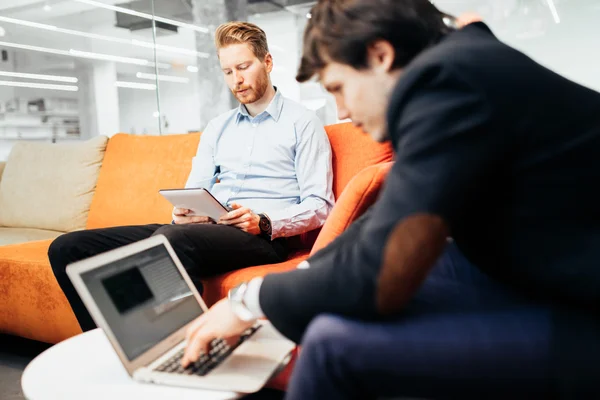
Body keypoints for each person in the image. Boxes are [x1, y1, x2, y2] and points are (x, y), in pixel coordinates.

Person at [180, 1, 600, 398]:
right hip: (541, 267)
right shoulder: (462, 65)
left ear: (380, 54)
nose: (341, 111)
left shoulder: (450, 83)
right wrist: (296, 280)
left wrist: (248, 303)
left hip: (580, 310)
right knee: (336, 302)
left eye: (340, 88)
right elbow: (382, 224)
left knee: (332, 343)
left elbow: (380, 272)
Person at [49, 21, 334, 333]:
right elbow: (195, 189)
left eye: (243, 67)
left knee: (171, 240)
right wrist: (184, 212)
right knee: (68, 248)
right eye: (227, 71)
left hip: (262, 237)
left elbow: (321, 205)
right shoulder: (218, 127)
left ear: (267, 62)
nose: (236, 80)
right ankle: (110, 345)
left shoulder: (303, 123)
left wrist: (264, 221)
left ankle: (178, 352)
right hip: (203, 232)